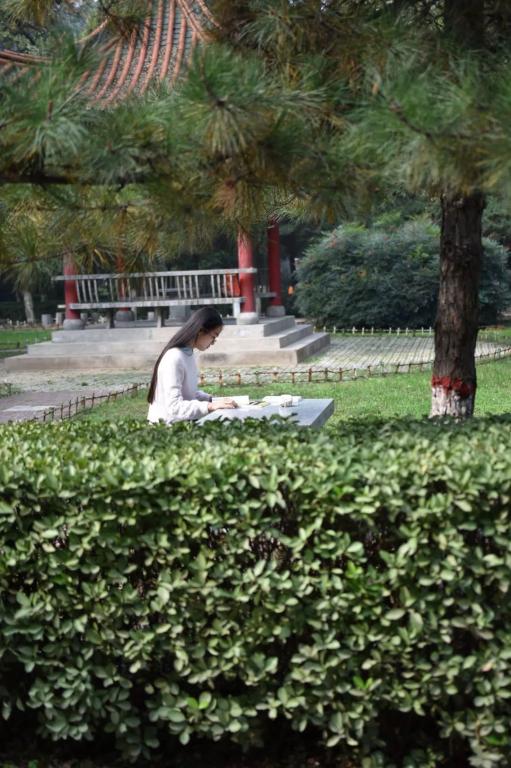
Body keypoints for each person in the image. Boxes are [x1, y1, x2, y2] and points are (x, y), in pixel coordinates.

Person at [147, 306, 238, 424]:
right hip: (166, 426)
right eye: (213, 337)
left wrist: (212, 399)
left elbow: (189, 393)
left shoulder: (187, 354)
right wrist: (210, 406)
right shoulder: (174, 357)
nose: (213, 343)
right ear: (200, 331)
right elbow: (174, 407)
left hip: (181, 423)